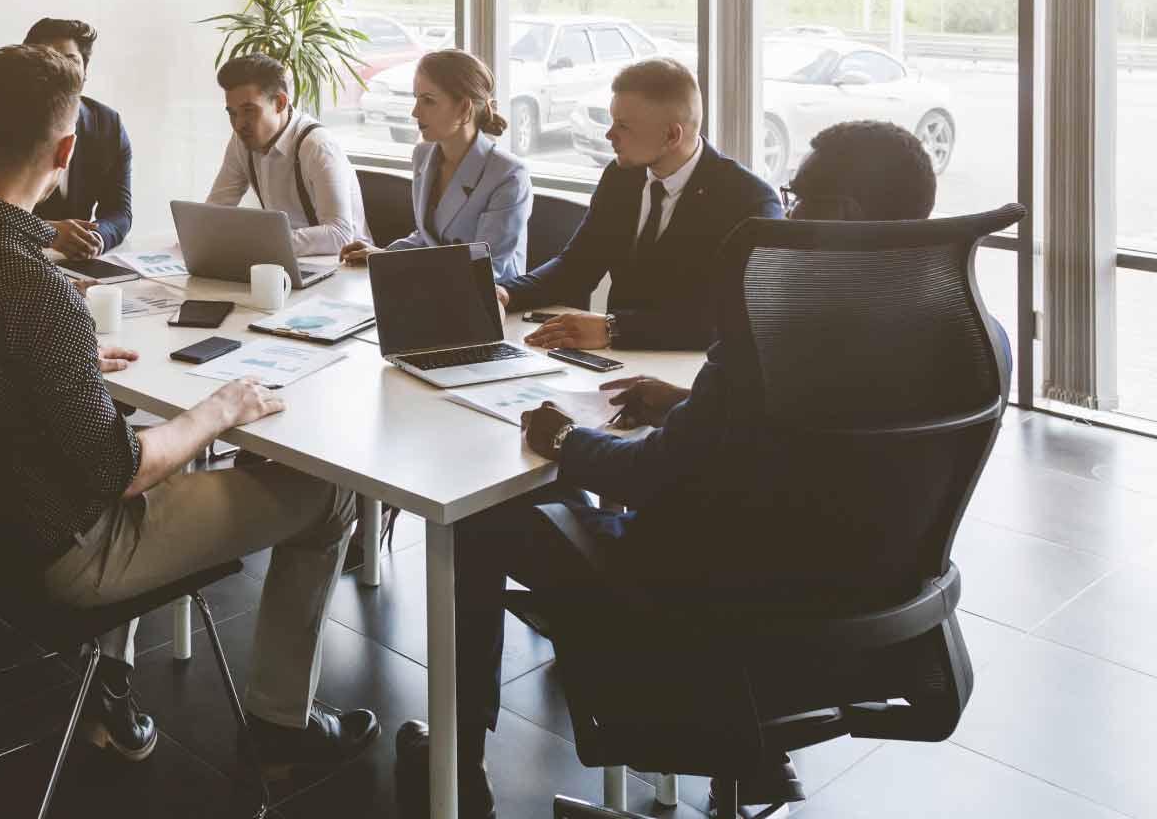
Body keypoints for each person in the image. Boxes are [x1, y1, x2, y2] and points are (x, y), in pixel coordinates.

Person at [398, 120, 993, 819]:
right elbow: (817, 437)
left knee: (483, 515)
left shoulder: (775, 337)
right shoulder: (967, 333)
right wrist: (689, 403)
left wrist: (564, 440)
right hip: (872, 602)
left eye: (800, 197)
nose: (788, 211)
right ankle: (756, 751)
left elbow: (650, 476)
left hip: (716, 600)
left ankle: (458, 765)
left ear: (849, 215)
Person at [0, 44, 379, 771]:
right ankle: (282, 722)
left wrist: (67, 366)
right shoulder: (40, 292)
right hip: (63, 555)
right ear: (65, 151)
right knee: (329, 494)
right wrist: (218, 410)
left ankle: (111, 678)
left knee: (145, 436)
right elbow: (123, 472)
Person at [497, 57, 781, 351]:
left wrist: (614, 329)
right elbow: (576, 267)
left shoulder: (750, 202)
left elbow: (743, 318)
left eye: (623, 126)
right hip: (613, 363)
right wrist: (506, 293)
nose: (609, 135)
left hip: (693, 372)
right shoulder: (621, 177)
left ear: (672, 135)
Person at [338, 49, 532, 284]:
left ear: (463, 108)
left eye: (428, 101)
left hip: (489, 303)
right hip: (433, 291)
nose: (415, 112)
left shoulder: (508, 175)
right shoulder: (423, 155)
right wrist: (382, 256)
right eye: (416, 99)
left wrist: (397, 265)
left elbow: (485, 268)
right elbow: (431, 239)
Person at [0, 17, 133, 258]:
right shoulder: (3, 117)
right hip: (4, 253)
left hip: (73, 263)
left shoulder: (107, 125)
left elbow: (119, 212)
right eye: (49, 59)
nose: (60, 70)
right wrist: (48, 232)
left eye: (71, 61)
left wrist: (96, 237)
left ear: (85, 72)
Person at [207, 53, 370, 255]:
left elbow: (340, 235)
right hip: (284, 261)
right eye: (232, 113)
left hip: (344, 268)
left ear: (280, 103)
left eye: (249, 110)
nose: (239, 124)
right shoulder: (242, 141)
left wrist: (263, 242)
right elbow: (214, 213)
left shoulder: (317, 145)